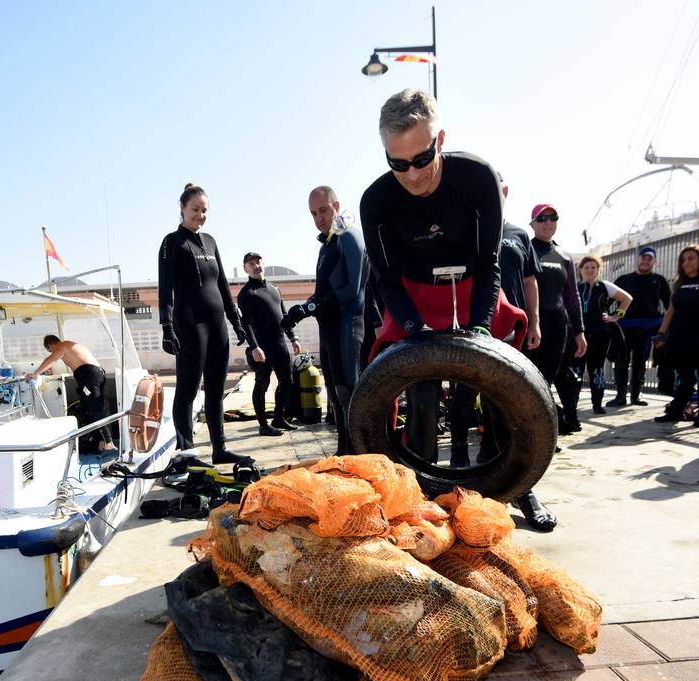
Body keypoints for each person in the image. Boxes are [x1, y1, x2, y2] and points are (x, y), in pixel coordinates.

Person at [360, 90, 558, 530]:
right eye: (397, 163)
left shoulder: (477, 178)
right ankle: (417, 499)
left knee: (503, 390)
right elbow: (385, 279)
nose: (411, 174)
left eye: (421, 158)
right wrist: (412, 330)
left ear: (440, 139)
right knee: (422, 395)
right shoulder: (375, 200)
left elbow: (490, 263)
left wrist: (480, 330)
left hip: (473, 287)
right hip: (413, 294)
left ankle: (518, 488)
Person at [449, 173, 542, 468]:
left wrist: (535, 321)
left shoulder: (519, 234)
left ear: (503, 191)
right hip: (472, 325)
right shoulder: (464, 231)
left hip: (509, 328)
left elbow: (530, 281)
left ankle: (494, 456)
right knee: (464, 393)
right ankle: (458, 455)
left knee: (504, 397)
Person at [157, 183, 249, 464]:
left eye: (204, 210)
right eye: (195, 209)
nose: (200, 215)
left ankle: (219, 450)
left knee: (216, 389)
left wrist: (235, 319)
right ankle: (186, 452)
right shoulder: (171, 242)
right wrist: (167, 327)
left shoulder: (210, 241)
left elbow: (221, 284)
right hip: (190, 324)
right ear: (182, 208)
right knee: (187, 388)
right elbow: (165, 288)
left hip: (216, 323)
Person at [281, 186, 367, 454]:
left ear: (336, 206)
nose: (319, 217)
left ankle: (357, 454)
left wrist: (311, 306)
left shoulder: (349, 236)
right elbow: (323, 292)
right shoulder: (326, 246)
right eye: (313, 213)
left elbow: (352, 290)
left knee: (348, 394)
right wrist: (302, 309)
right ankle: (343, 452)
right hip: (329, 330)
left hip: (347, 326)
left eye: (323, 210)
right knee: (334, 393)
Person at [526, 203, 587, 434]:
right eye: (542, 218)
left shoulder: (564, 255)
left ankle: (544, 433)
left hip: (559, 327)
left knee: (547, 381)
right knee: (529, 380)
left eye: (553, 218)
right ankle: (528, 431)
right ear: (532, 223)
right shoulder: (525, 247)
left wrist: (579, 331)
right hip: (532, 327)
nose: (548, 223)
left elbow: (573, 297)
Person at [652, 245, 699, 427]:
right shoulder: (679, 281)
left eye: (691, 258)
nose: (687, 262)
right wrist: (661, 334)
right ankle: (676, 411)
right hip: (679, 335)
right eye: (684, 259)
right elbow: (670, 310)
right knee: (681, 376)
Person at [237, 252, 300, 436]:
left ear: (263, 263)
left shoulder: (274, 289)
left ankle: (278, 417)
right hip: (262, 346)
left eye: (258, 262)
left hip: (280, 342)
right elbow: (245, 324)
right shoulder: (247, 293)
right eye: (251, 263)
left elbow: (285, 316)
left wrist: (293, 338)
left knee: (287, 381)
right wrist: (254, 346)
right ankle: (263, 425)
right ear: (245, 268)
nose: (256, 265)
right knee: (262, 383)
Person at [26, 334, 117, 453]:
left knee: (95, 409)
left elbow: (51, 359)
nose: (51, 352)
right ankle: (102, 441)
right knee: (92, 407)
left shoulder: (62, 345)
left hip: (88, 375)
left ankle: (109, 442)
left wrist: (36, 373)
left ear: (51, 344)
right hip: (98, 374)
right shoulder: (75, 346)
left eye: (49, 350)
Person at [611, 247, 672, 406]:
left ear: (654, 261)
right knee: (621, 361)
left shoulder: (659, 280)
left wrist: (664, 329)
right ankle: (620, 396)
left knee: (640, 361)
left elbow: (670, 306)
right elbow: (606, 301)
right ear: (637, 259)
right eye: (643, 258)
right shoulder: (623, 280)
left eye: (649, 259)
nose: (645, 261)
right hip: (624, 327)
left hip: (647, 329)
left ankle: (636, 396)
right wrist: (612, 317)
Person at [576, 257, 633, 414]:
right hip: (580, 333)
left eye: (593, 267)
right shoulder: (575, 287)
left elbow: (627, 299)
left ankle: (597, 404)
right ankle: (571, 403)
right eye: (586, 267)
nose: (589, 270)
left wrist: (616, 315)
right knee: (576, 368)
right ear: (580, 270)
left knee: (597, 368)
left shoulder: (605, 286)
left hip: (600, 333)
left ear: (597, 270)